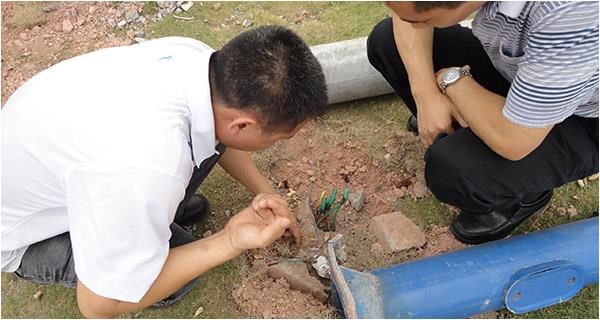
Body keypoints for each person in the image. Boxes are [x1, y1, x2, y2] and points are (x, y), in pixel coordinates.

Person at [1, 25, 327, 318]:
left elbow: (222, 139)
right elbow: (98, 305)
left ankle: (142, 219)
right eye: (279, 137)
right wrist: (228, 241)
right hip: (24, 236)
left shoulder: (195, 58)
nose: (276, 142)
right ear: (243, 123)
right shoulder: (145, 168)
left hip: (57, 165)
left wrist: (265, 191)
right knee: (175, 276)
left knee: (167, 209)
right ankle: (135, 226)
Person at [367, 1, 598, 244]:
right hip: (526, 73)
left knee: (453, 167)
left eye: (423, 19)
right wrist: (427, 96)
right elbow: (406, 13)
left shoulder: (568, 16)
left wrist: (451, 80)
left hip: (585, 117)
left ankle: (522, 197)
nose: (408, 23)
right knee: (387, 42)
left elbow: (514, 139)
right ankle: (460, 126)